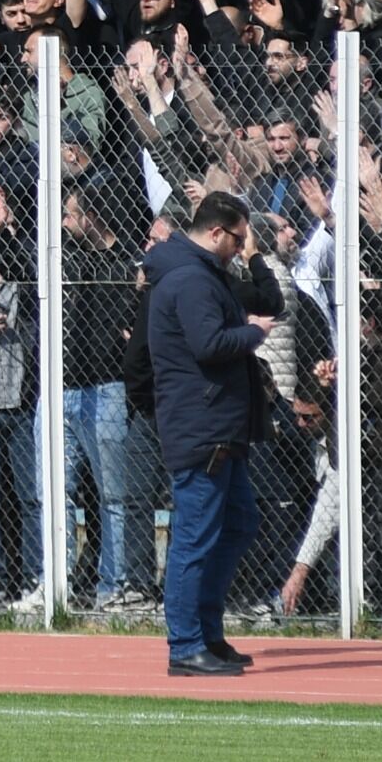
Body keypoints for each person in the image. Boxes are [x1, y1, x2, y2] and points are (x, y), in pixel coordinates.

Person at [143, 192, 275, 676]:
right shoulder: (191, 279)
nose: (242, 248)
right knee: (195, 537)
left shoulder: (203, 273)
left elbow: (263, 305)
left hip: (219, 423)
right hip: (202, 425)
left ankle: (207, 633)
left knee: (238, 523)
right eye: (238, 239)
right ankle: (185, 645)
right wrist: (254, 332)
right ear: (216, 232)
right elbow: (208, 344)